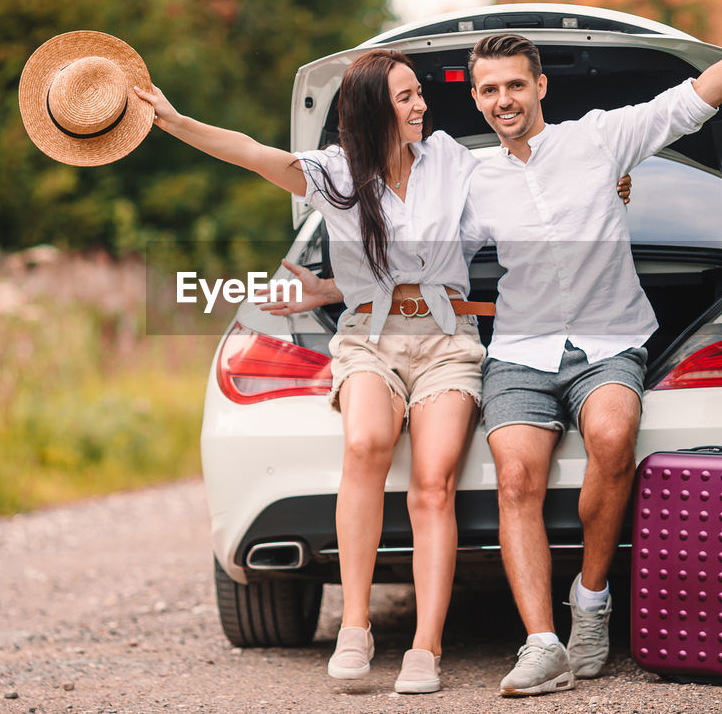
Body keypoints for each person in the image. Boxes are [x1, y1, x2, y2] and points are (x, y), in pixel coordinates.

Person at [268, 0, 722, 697]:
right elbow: (416, 265)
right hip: (519, 350)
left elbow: (695, 98)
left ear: (540, 86)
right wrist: (330, 289)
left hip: (611, 339)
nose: (502, 100)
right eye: (489, 89)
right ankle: (541, 642)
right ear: (479, 98)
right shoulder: (471, 180)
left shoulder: (600, 141)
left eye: (514, 85)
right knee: (516, 474)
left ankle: (590, 597)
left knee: (614, 437)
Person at [134, 50, 486, 694]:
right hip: (368, 340)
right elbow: (252, 153)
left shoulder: (454, 161)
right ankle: (355, 628)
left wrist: (615, 185)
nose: (422, 106)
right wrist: (176, 122)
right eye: (406, 97)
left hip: (447, 340)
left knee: (433, 485)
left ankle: (426, 649)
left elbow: (530, 179)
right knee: (364, 444)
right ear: (375, 108)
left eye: (418, 94)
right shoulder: (335, 172)